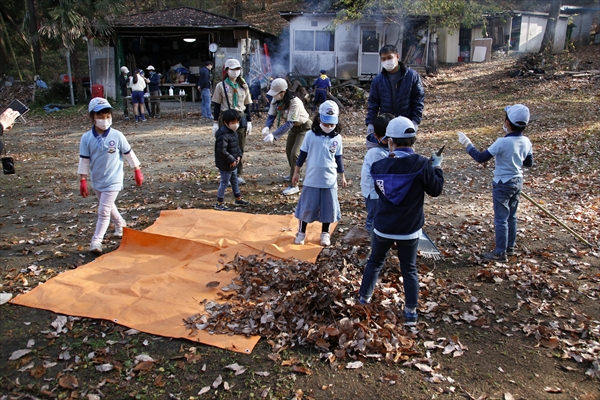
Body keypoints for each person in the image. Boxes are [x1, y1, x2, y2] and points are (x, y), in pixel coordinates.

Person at [358, 116, 444, 326]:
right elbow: (436, 190)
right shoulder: (423, 164)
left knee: (375, 261)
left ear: (389, 141)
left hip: (384, 226)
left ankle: (363, 299)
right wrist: (437, 168)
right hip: (410, 228)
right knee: (409, 268)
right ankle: (411, 312)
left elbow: (382, 189)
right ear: (413, 140)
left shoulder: (379, 166)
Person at [457, 104, 533, 262]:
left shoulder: (502, 142)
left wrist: (467, 143)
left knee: (501, 219)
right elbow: (528, 163)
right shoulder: (526, 141)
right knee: (512, 216)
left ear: (507, 123)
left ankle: (500, 252)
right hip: (517, 181)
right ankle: (509, 247)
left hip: (502, 183)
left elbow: (480, 157)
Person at [78, 98, 144, 254]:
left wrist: (137, 170)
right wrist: (83, 180)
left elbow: (128, 153)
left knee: (103, 211)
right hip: (97, 179)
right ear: (92, 117)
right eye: (100, 116)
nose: (104, 120)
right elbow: (84, 160)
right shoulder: (86, 138)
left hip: (114, 179)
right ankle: (120, 223)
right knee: (108, 205)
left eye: (107, 116)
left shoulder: (117, 135)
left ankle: (96, 241)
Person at [291, 100, 347, 247]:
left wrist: (342, 176)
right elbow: (302, 155)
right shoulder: (310, 135)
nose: (328, 127)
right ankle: (301, 232)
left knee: (328, 208)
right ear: (319, 119)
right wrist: (296, 172)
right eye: (325, 123)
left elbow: (338, 158)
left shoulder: (337, 138)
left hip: (329, 181)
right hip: (312, 179)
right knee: (307, 207)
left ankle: (325, 233)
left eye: (332, 124)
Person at [365, 44, 425, 146]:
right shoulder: (378, 80)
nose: (386, 61)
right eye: (383, 59)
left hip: (406, 125)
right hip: (386, 126)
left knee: (404, 156)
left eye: (389, 57)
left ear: (397, 56)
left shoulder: (412, 76)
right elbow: (373, 104)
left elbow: (418, 100)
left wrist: (415, 121)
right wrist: (370, 123)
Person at [262, 78, 311, 195]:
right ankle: (293, 173)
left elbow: (290, 123)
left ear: (283, 92)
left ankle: (294, 184)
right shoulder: (276, 99)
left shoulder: (295, 102)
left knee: (295, 153)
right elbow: (271, 115)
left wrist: (274, 136)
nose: (274, 95)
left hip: (304, 127)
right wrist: (267, 127)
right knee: (289, 151)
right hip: (294, 128)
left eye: (276, 93)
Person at [212, 58, 253, 185]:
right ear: (227, 70)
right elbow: (217, 104)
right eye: (233, 69)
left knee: (239, 146)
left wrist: (250, 121)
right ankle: (226, 174)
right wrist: (214, 122)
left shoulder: (243, 85)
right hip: (226, 116)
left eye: (238, 69)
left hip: (240, 116)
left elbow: (248, 103)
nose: (235, 72)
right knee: (224, 146)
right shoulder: (221, 86)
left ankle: (237, 173)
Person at [360, 113, 394, 240]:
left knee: (381, 215)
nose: (389, 142)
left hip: (381, 191)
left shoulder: (385, 149)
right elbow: (384, 172)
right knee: (374, 216)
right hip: (373, 193)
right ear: (376, 136)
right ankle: (371, 238)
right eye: (386, 139)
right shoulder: (375, 152)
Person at [214, 109, 250, 211]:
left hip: (233, 163)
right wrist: (231, 160)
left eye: (237, 122)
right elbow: (221, 151)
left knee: (234, 181)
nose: (236, 125)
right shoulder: (223, 135)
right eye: (233, 123)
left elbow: (236, 146)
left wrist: (238, 156)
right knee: (224, 182)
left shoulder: (233, 132)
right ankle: (219, 202)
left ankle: (238, 198)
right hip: (226, 164)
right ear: (226, 123)